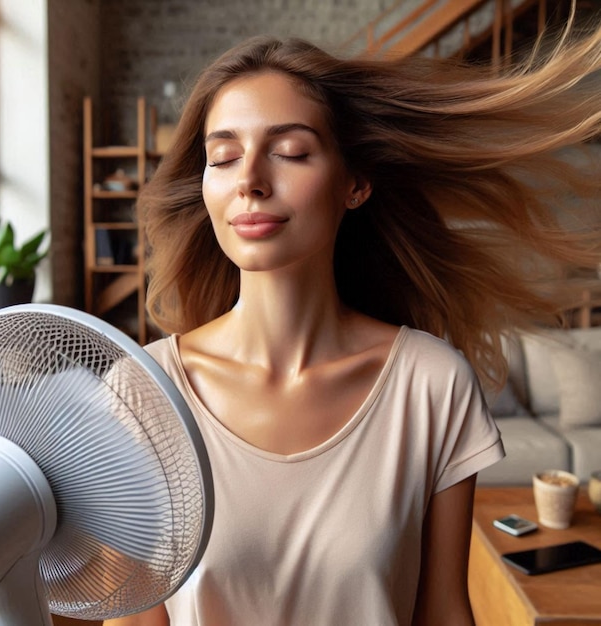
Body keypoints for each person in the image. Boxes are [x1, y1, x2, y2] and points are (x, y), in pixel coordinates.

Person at [104, 12, 601, 626]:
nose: (251, 182)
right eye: (224, 157)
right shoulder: (143, 395)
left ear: (355, 183)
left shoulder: (431, 386)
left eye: (289, 152)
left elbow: (444, 612)